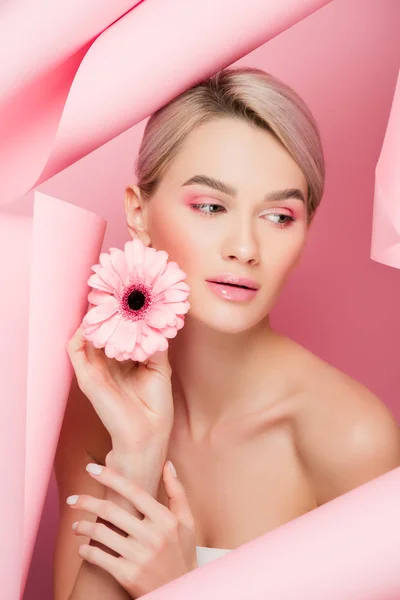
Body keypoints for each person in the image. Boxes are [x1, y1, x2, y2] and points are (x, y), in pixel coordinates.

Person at [53, 66, 400, 599]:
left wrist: (179, 590)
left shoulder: (351, 440)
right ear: (138, 212)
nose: (245, 247)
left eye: (280, 216)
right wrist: (135, 464)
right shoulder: (99, 403)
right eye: (211, 207)